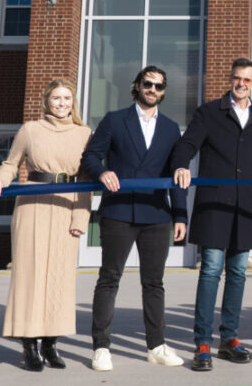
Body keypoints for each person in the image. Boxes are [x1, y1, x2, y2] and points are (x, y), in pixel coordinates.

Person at [79, 66, 188, 370]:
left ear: (164, 91)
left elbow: (175, 174)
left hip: (156, 214)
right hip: (119, 212)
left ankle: (156, 345)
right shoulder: (114, 120)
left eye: (159, 86)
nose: (153, 89)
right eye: (148, 83)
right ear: (137, 86)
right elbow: (90, 156)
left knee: (154, 283)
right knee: (109, 278)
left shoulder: (170, 128)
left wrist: (180, 215)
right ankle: (101, 347)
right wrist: (102, 171)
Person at [170, 58, 252, 372]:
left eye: (247, 79)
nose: (242, 83)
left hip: (246, 206)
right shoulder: (208, 113)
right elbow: (186, 145)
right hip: (214, 204)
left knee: (239, 273)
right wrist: (181, 165)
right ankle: (202, 341)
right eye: (237, 78)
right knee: (211, 270)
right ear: (230, 79)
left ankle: (229, 338)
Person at [0, 78, 92, 371]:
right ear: (47, 101)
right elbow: (11, 163)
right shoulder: (31, 130)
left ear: (73, 103)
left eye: (67, 99)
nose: (62, 104)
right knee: (30, 275)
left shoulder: (85, 134)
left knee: (59, 277)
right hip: (32, 205)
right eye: (57, 98)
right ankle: (29, 344)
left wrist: (80, 217)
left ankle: (50, 343)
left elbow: (86, 178)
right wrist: (1, 179)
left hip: (67, 204)